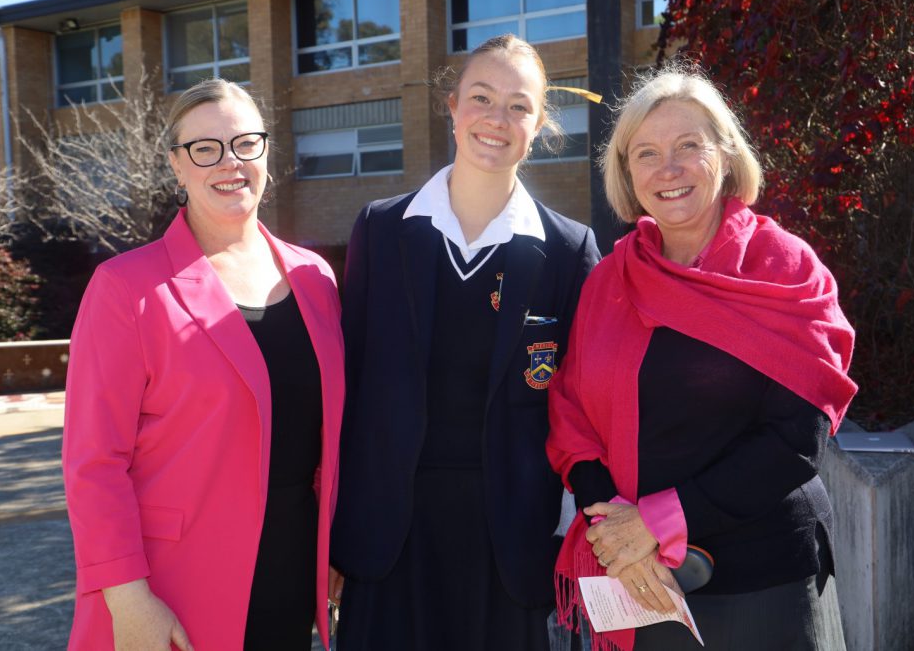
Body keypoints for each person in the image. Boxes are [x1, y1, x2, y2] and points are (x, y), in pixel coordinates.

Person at [546, 65, 858, 651]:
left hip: (764, 583)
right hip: (640, 580)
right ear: (627, 172)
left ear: (726, 153)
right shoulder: (609, 280)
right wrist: (611, 524)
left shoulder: (786, 267)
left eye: (689, 145)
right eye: (646, 153)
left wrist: (655, 522)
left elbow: (797, 436)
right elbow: (570, 413)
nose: (668, 169)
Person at [329, 34, 600, 650]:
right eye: (481, 97)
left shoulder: (568, 251)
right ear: (451, 106)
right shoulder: (381, 229)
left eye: (519, 105)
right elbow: (349, 387)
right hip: (388, 539)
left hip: (509, 546)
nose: (496, 118)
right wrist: (333, 534)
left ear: (538, 125)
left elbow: (582, 408)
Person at [62, 78, 345, 651]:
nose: (229, 162)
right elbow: (94, 462)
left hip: (290, 570)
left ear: (266, 151)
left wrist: (335, 547)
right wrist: (128, 597)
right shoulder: (126, 287)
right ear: (177, 165)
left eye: (244, 143)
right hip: (173, 582)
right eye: (205, 148)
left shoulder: (315, 278)